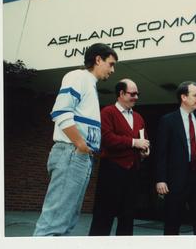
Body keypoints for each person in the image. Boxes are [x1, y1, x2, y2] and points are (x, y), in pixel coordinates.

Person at [33, 43, 118, 236]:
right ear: (98, 59)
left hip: (80, 156)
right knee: (54, 224)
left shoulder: (89, 83)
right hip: (71, 153)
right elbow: (60, 112)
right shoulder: (78, 76)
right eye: (110, 64)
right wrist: (80, 144)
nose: (112, 70)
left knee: (66, 222)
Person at [89, 79, 150, 236]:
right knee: (104, 216)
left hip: (132, 173)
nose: (136, 97)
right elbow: (107, 138)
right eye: (132, 94)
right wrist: (134, 142)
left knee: (127, 218)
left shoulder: (139, 118)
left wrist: (144, 152)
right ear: (121, 94)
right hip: (112, 170)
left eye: (138, 94)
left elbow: (143, 141)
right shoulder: (107, 112)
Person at [155, 81, 196, 235]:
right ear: (183, 97)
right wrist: (160, 179)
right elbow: (161, 152)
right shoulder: (168, 120)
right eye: (195, 95)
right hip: (176, 179)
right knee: (172, 222)